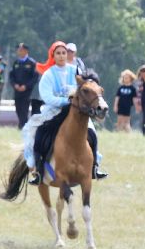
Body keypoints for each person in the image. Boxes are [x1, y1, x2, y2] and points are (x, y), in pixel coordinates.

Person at [21, 41, 106, 185]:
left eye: (64, 53)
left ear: (67, 55)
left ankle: (94, 166)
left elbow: (87, 87)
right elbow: (46, 96)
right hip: (54, 111)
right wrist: (65, 101)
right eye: (58, 53)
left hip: (77, 110)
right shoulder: (48, 74)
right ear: (53, 56)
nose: (61, 56)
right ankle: (38, 169)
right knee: (39, 132)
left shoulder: (76, 71)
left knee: (92, 133)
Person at [8, 43, 39, 129]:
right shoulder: (16, 62)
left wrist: (26, 86)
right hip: (17, 90)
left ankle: (23, 126)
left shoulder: (32, 63)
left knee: (24, 109)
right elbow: (11, 76)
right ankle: (22, 124)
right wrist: (15, 85)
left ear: (26, 51)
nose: (19, 51)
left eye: (21, 49)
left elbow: (35, 77)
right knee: (18, 108)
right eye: (18, 49)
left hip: (27, 91)